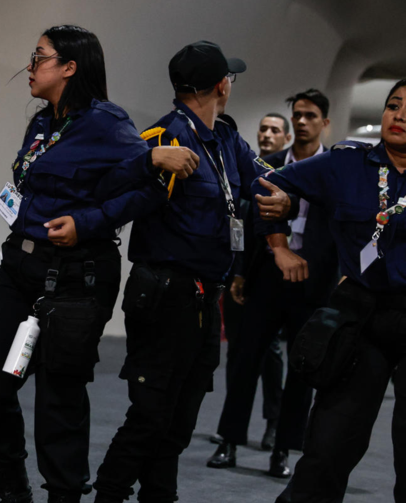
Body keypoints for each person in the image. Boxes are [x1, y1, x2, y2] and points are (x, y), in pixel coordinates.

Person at [0, 26, 199, 503]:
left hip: (77, 276)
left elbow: (150, 187)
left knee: (58, 402)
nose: (30, 65)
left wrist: (87, 222)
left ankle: (63, 496)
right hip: (20, 269)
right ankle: (12, 483)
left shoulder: (107, 122)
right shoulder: (43, 122)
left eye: (40, 56)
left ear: (70, 67)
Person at [258, 78, 406, 503]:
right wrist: (279, 242)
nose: (399, 115)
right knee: (328, 443)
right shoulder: (344, 163)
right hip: (357, 312)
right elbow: (265, 183)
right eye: (393, 105)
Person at [92, 40, 289, 503]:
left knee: (180, 419)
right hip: (164, 292)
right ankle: (108, 496)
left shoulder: (225, 139)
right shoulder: (160, 139)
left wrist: (284, 193)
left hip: (205, 296)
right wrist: (149, 161)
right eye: (230, 78)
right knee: (150, 416)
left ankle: (159, 497)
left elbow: (265, 176)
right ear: (221, 84)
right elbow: (107, 187)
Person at [209, 89, 338, 477]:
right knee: (246, 358)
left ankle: (283, 450)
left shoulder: (335, 170)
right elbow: (251, 222)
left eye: (310, 115)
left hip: (312, 283)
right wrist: (242, 272)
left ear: (324, 123)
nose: (301, 121)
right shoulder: (270, 164)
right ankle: (229, 442)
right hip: (267, 274)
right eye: (297, 114)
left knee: (302, 369)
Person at [213, 112, 290, 449]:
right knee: (237, 351)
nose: (268, 134)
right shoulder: (239, 171)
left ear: (285, 138)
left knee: (270, 352)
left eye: (275, 129)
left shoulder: (280, 178)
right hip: (235, 272)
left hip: (266, 276)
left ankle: (273, 423)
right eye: (263, 128)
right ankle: (232, 427)